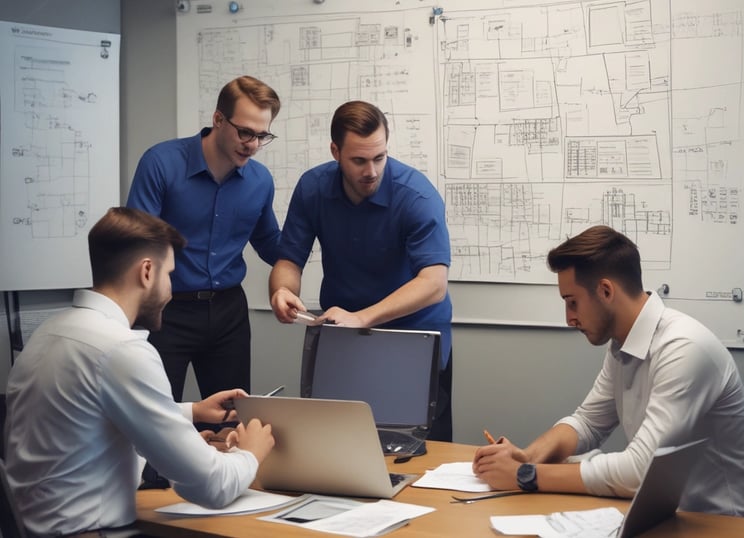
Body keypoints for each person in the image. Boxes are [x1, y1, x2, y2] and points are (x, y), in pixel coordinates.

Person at [4, 207, 275, 536]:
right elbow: (212, 487)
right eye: (169, 275)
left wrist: (190, 412)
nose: (171, 291)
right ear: (147, 272)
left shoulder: (49, 334)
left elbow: (85, 416)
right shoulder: (121, 350)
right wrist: (250, 452)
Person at [473, 225, 744, 518]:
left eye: (572, 302)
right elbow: (588, 423)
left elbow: (641, 471)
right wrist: (527, 456)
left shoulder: (685, 349)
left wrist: (527, 475)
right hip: (671, 517)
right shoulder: (623, 343)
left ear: (605, 290)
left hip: (729, 525)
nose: (569, 319)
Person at [269, 100, 454, 441]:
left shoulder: (416, 196)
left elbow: (434, 284)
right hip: (344, 334)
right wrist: (282, 290)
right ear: (335, 151)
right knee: (335, 441)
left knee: (416, 451)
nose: (371, 171)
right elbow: (289, 260)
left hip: (413, 336)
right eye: (359, 160)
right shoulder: (313, 188)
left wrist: (363, 318)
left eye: (379, 157)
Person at [126, 75, 281, 401]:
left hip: (228, 312)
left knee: (231, 419)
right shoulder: (161, 163)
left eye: (261, 135)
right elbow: (139, 243)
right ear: (218, 120)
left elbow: (270, 243)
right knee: (157, 420)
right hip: (166, 312)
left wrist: (320, 236)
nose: (252, 144)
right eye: (245, 132)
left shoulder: (260, 181)